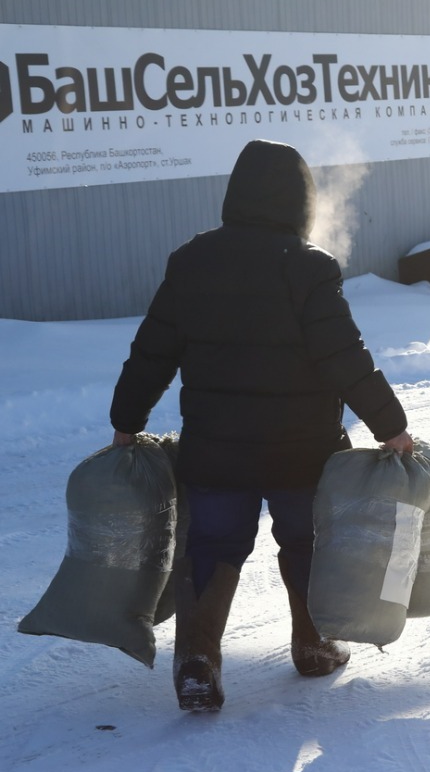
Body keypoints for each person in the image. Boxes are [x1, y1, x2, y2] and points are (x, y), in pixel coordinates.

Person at [109, 139, 414, 711]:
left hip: (216, 451)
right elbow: (345, 356)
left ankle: (199, 662)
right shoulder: (309, 268)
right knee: (305, 540)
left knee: (213, 544)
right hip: (301, 451)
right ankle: (314, 644)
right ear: (300, 202)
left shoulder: (192, 260)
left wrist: (126, 420)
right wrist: (390, 426)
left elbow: (152, 351)